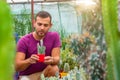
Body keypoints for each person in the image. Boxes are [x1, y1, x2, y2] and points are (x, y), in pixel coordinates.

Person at [15, 11, 61, 80]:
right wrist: (29, 60)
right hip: (28, 77)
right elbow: (17, 66)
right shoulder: (24, 41)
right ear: (34, 23)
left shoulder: (54, 36)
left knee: (54, 68)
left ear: (50, 26)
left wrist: (52, 60)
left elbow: (56, 58)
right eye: (39, 24)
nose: (42, 28)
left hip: (44, 73)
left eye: (45, 25)